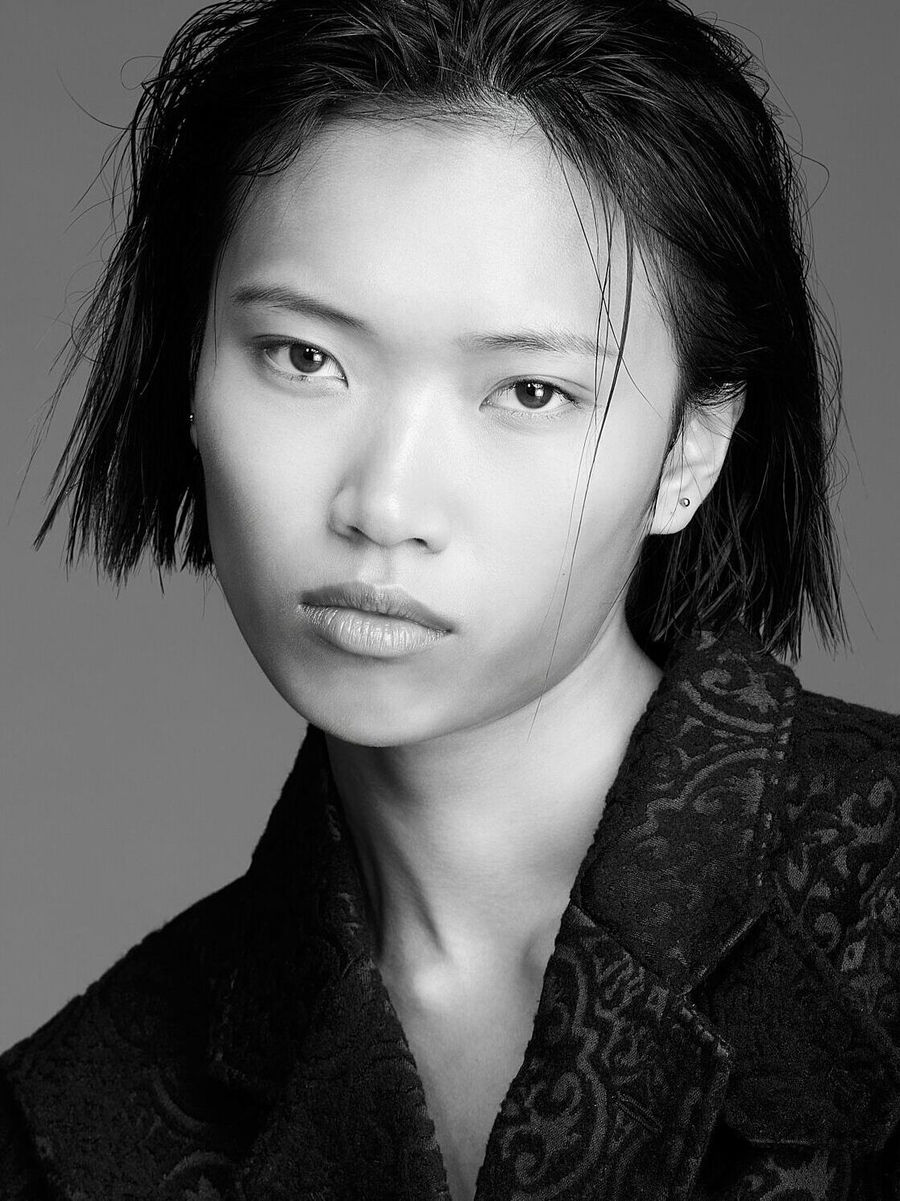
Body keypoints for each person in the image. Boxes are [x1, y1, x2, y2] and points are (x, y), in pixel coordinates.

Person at [2, 0, 898, 1197]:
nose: (385, 502)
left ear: (691, 448)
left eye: (528, 392)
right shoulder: (76, 1120)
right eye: (304, 358)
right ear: (190, 373)